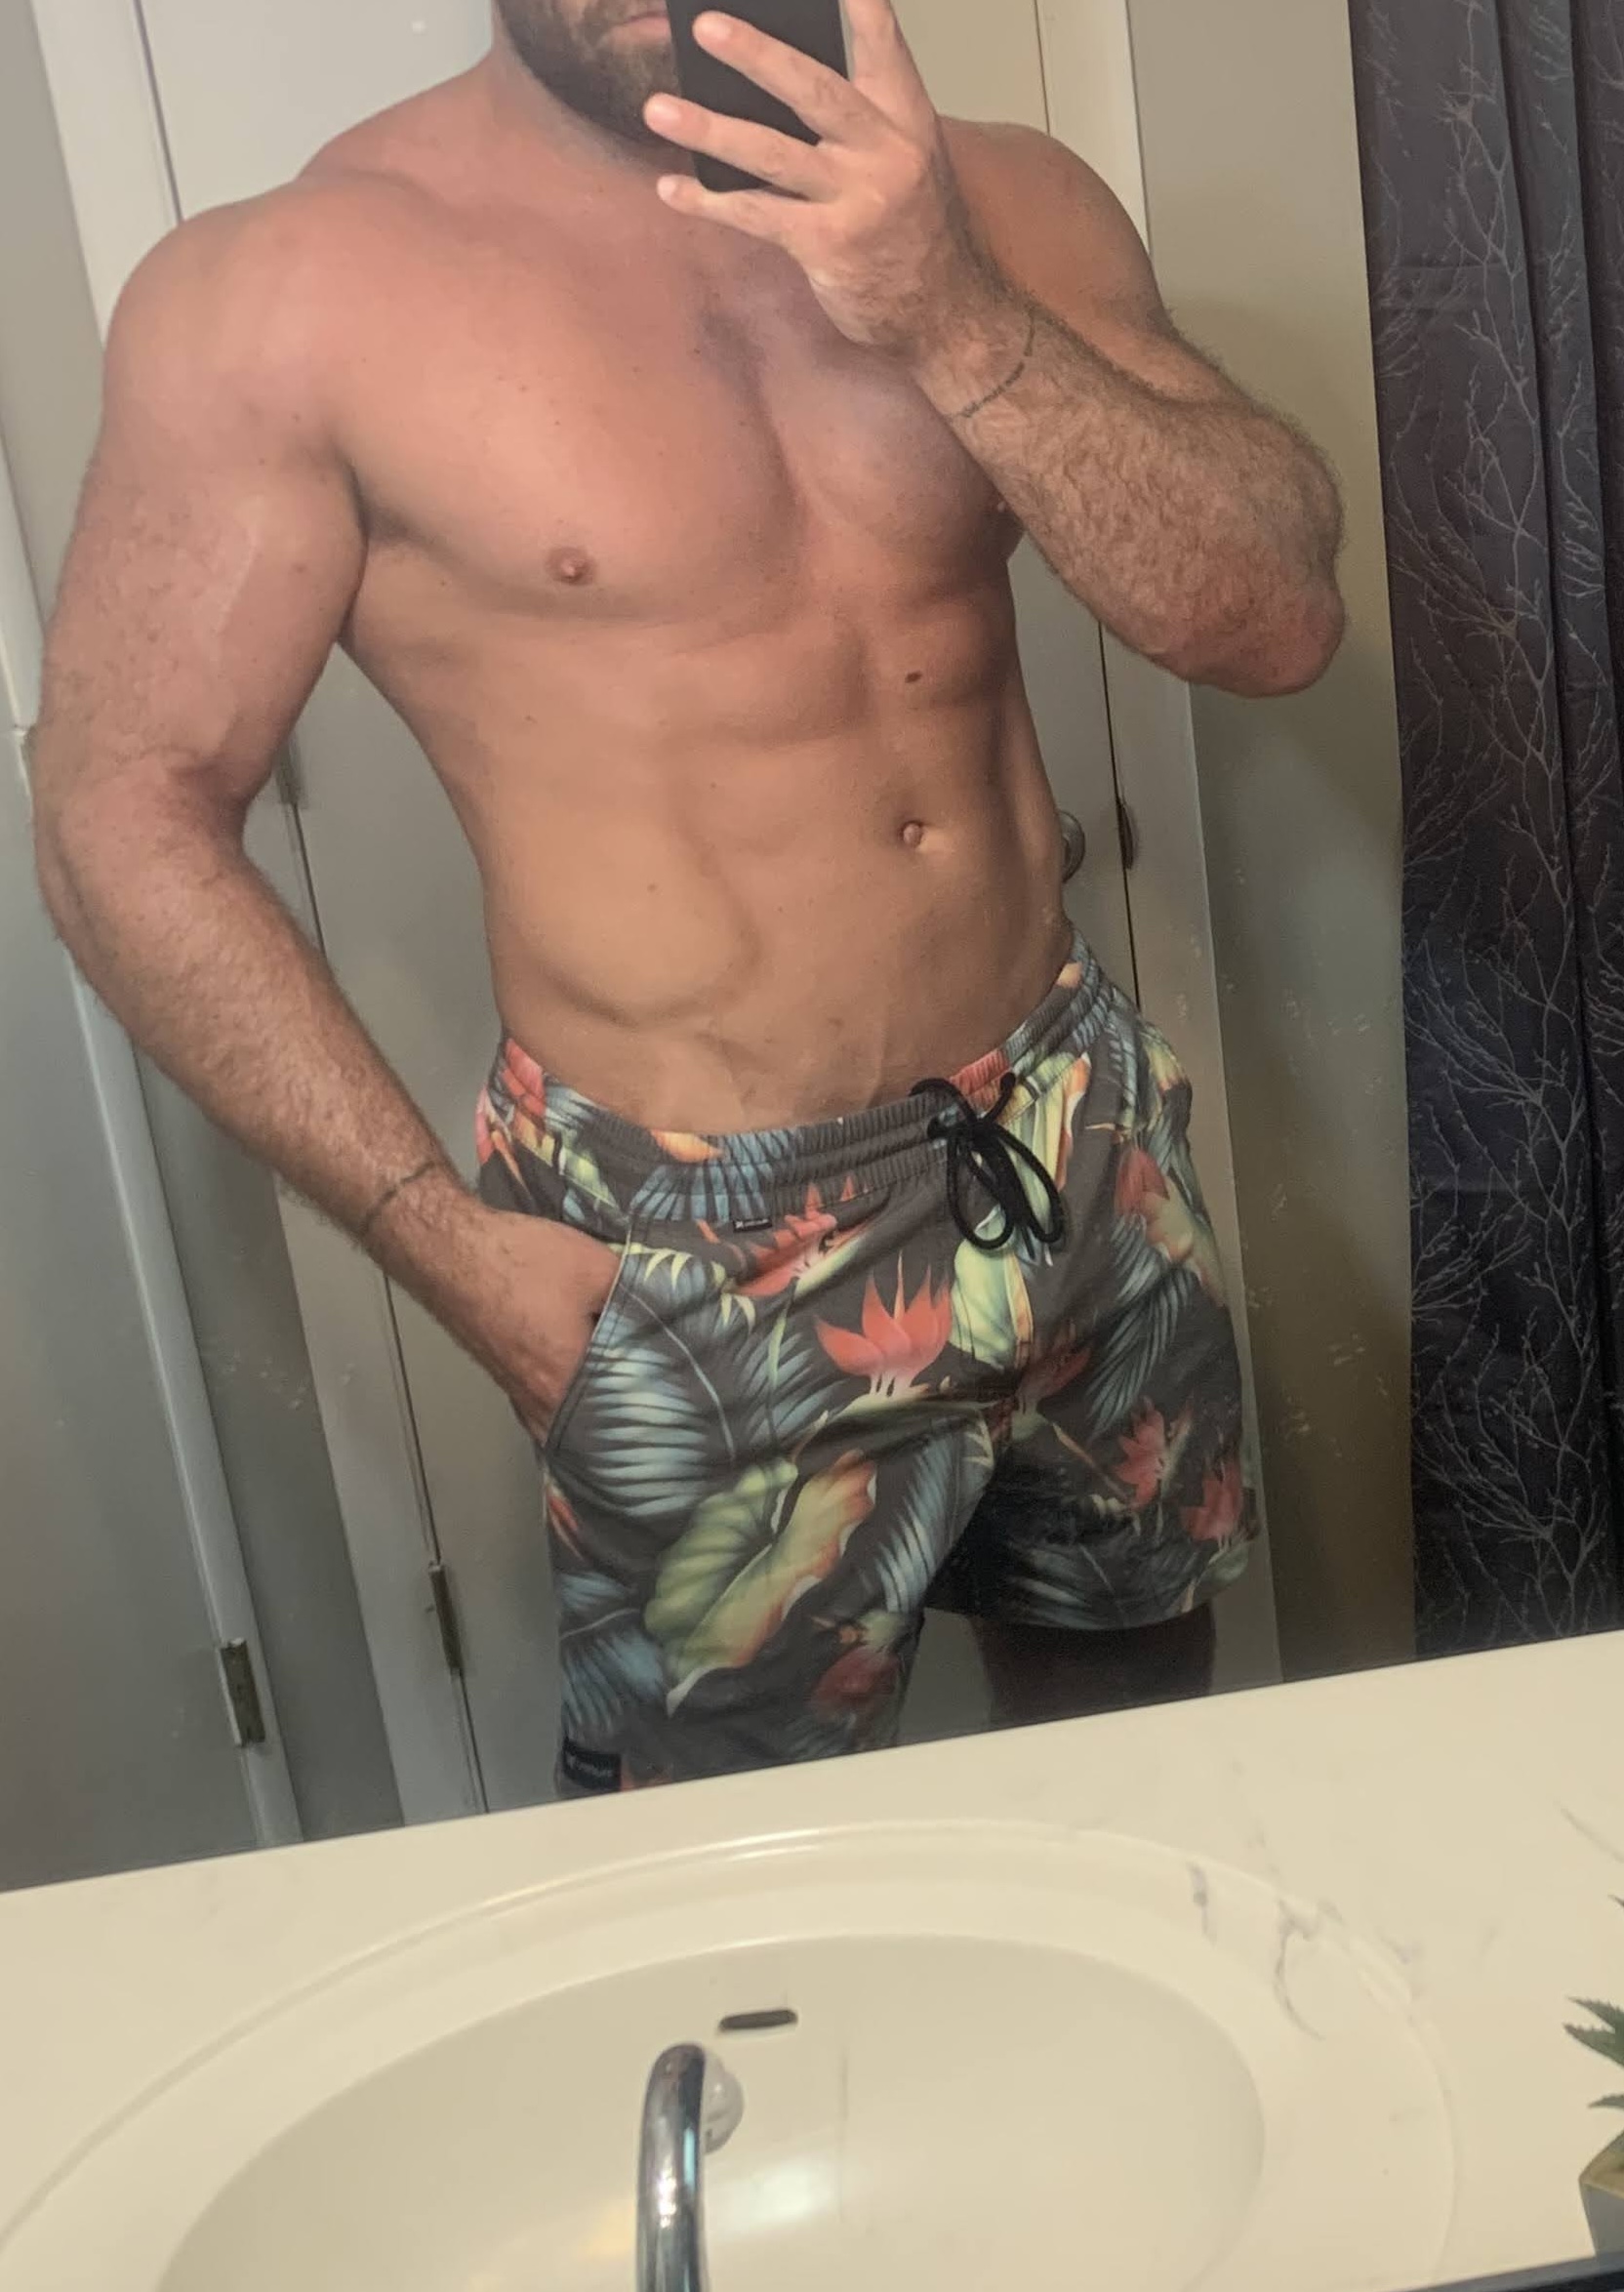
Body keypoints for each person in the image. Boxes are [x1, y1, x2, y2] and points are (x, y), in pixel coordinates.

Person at [30, 1, 1344, 1791]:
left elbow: (1275, 617)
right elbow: (119, 813)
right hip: (695, 1239)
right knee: (731, 1853)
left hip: (1065, 1126)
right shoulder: (286, 297)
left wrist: (951, 308)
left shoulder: (1003, 205)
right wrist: (442, 1239)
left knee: (1132, 1708)